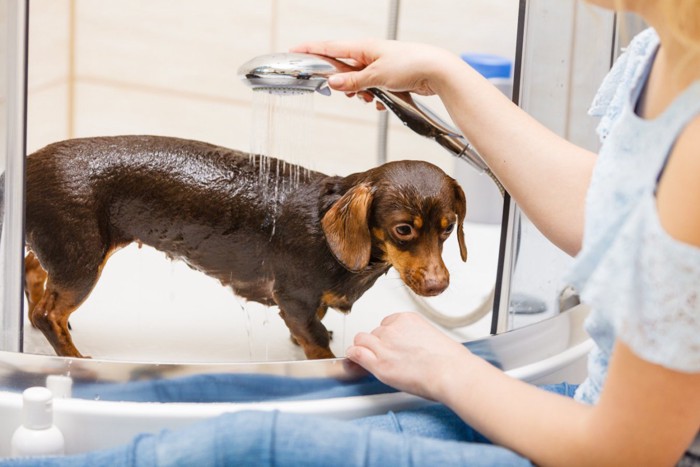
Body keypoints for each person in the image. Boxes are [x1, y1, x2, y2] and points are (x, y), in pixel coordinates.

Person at [2, 0, 697, 465]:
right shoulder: (656, 54)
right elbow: (612, 209)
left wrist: (446, 365)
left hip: (616, 439)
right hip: (592, 408)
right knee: (222, 400)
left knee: (250, 437)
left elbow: (628, 450)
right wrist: (442, 74)